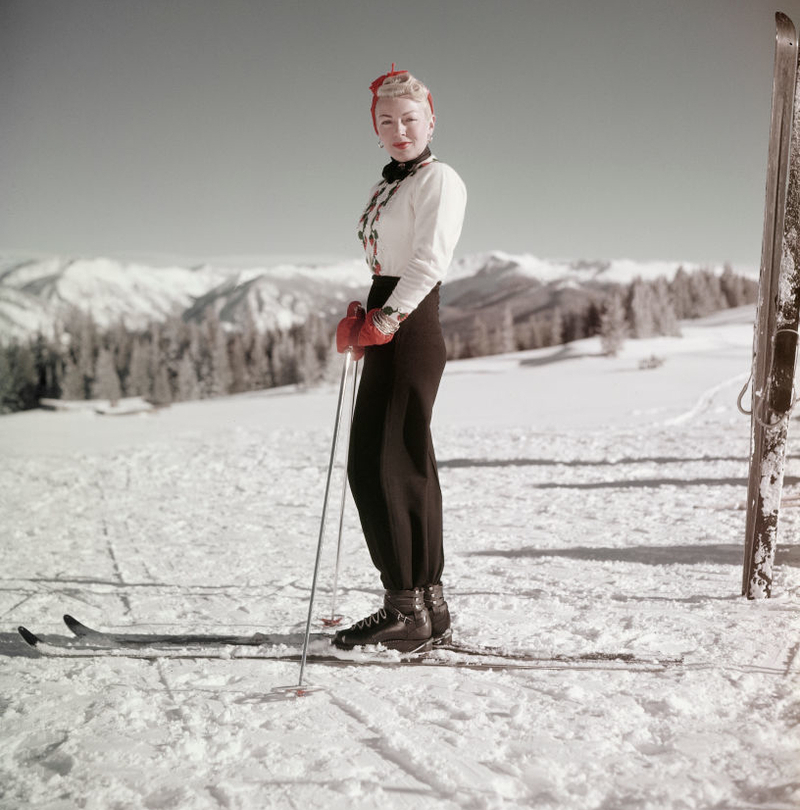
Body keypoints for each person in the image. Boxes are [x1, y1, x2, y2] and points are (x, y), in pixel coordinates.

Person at [332, 66, 467, 653]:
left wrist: (385, 321)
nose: (399, 128)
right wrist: (366, 313)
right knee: (401, 462)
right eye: (386, 121)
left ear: (431, 119)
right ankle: (427, 605)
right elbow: (390, 263)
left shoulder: (440, 179)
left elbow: (429, 262)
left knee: (380, 466)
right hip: (392, 316)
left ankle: (405, 608)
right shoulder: (389, 183)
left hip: (410, 327)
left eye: (409, 118)